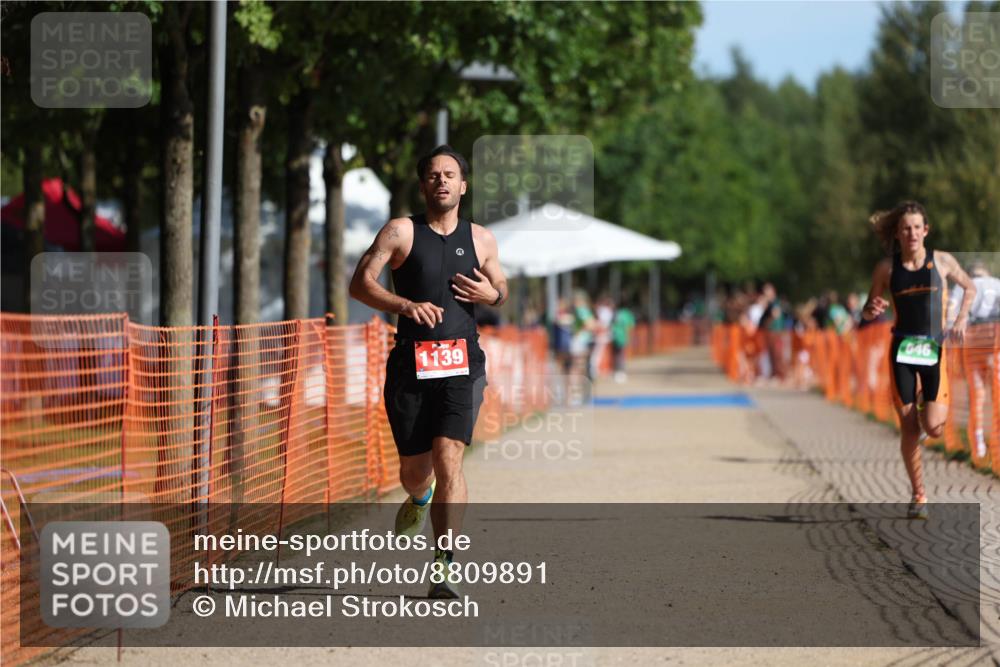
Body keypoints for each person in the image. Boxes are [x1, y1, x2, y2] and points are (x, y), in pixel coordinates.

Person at [349, 145, 508, 598]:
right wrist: (405, 305)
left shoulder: (481, 239)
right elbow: (360, 284)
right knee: (416, 471)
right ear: (423, 185)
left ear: (463, 185)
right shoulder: (401, 232)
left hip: (463, 364)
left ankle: (443, 568)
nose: (442, 180)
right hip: (410, 364)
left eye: (450, 174)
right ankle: (419, 497)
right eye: (433, 175)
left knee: (449, 458)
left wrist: (491, 295)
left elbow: (501, 286)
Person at [861, 201, 976, 519]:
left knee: (934, 428)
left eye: (916, 227)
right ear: (897, 234)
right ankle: (918, 495)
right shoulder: (886, 269)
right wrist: (872, 310)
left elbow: (970, 287)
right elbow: (868, 307)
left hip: (934, 350)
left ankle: (928, 401)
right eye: (905, 228)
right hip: (902, 351)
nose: (911, 233)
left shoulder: (941, 261)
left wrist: (961, 320)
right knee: (909, 428)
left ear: (926, 230)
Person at [947, 261, 1000, 458]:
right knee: (998, 395)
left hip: (972, 344)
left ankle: (978, 446)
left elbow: (950, 315)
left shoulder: (963, 286)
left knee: (977, 396)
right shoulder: (996, 283)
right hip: (995, 342)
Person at [611, 300, 636, 383]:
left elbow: (612, 324)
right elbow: (630, 325)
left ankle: (616, 371)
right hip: (622, 337)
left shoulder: (616, 313)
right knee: (621, 355)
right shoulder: (627, 314)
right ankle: (620, 372)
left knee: (616, 355)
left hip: (614, 336)